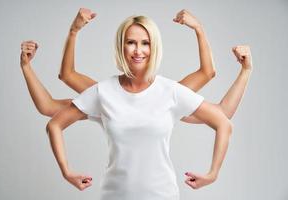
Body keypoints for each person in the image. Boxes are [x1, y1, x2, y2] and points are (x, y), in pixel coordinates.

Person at [20, 8, 252, 200]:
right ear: (121, 47)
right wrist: (32, 63)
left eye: (145, 43)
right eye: (131, 42)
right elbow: (52, 103)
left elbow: (219, 105)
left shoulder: (171, 93)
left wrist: (202, 32)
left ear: (154, 48)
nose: (138, 50)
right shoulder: (103, 93)